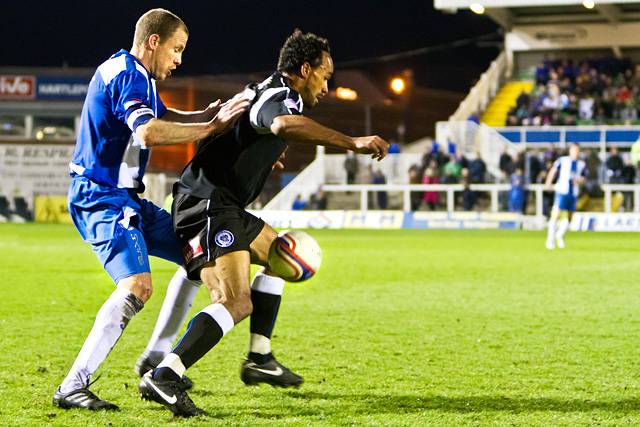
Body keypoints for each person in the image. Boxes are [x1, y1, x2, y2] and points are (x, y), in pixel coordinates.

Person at [137, 29, 389, 417]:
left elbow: (234, 133)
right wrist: (352, 141)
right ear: (304, 70)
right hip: (207, 205)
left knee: (279, 254)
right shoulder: (280, 97)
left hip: (222, 205)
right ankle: (166, 373)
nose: (327, 85)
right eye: (325, 75)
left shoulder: (263, 91)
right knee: (235, 301)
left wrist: (252, 154)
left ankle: (259, 357)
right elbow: (282, 125)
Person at [52, 9, 250, 410]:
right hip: (102, 197)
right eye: (176, 49)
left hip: (129, 201)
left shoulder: (128, 72)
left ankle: (159, 359)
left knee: (200, 254)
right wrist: (210, 128)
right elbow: (148, 130)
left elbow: (159, 115)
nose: (179, 60)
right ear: (153, 42)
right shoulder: (130, 74)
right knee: (138, 286)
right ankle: (73, 384)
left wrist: (206, 116)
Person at [545, 143, 586, 250]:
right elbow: (553, 170)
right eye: (574, 150)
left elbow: (584, 178)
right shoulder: (563, 160)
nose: (575, 152)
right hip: (562, 191)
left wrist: (580, 180)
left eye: (577, 150)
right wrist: (548, 182)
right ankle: (550, 240)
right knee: (556, 214)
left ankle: (559, 235)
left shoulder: (581, 164)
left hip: (573, 193)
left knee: (570, 218)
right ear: (570, 151)